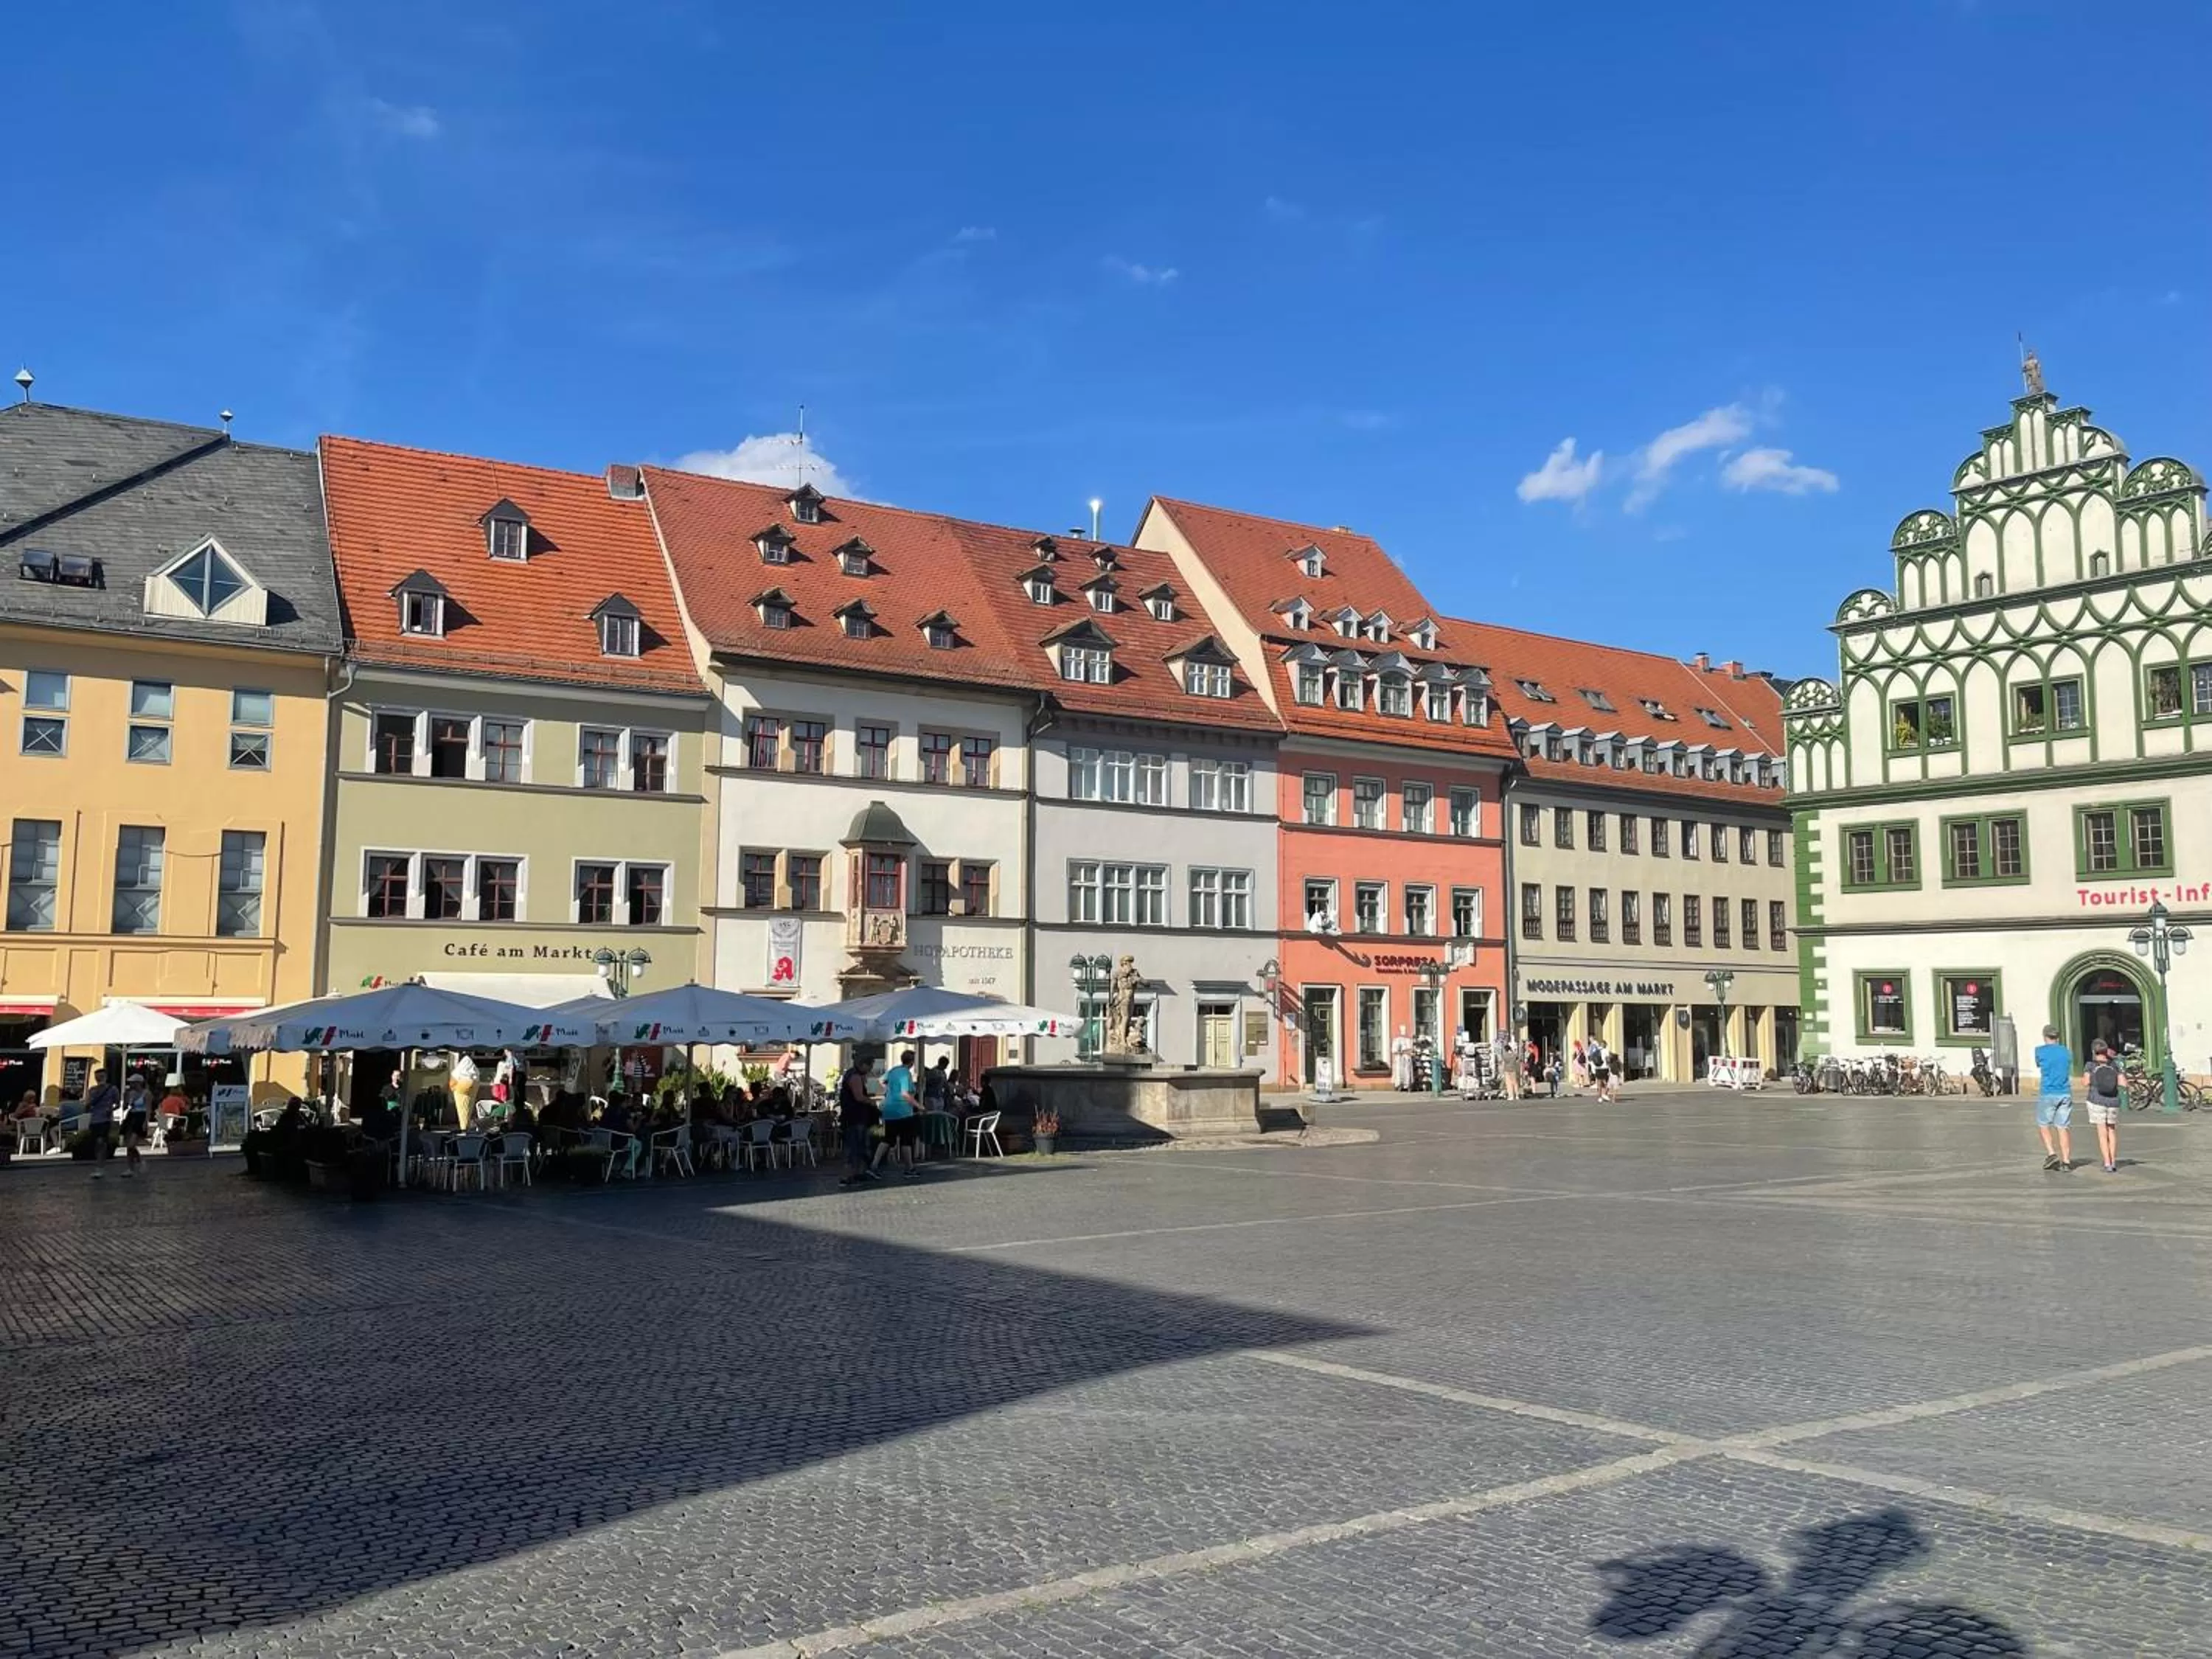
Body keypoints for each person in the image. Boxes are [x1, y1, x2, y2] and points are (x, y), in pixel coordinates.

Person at [2032, 1023, 2075, 1172]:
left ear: (2045, 1037)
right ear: (2057, 1037)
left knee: (2044, 1124)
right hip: (2064, 1092)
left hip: (2048, 1091)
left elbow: (2039, 1064)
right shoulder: (2066, 1052)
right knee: (2063, 1127)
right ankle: (2067, 1161)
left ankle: (2051, 1153)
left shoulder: (2040, 1051)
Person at [874, 1048, 922, 1178]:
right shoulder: (906, 1074)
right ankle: (909, 1168)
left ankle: (874, 1166)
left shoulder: (894, 1070)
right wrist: (919, 1106)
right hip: (903, 1110)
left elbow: (881, 1080)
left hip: (889, 1109)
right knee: (906, 1140)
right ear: (911, 1062)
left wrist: (890, 1090)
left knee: (888, 1139)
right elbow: (905, 1094)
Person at [2084, 1040, 2124, 1174]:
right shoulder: (2114, 1065)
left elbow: (2085, 1082)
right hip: (2113, 1101)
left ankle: (2107, 1162)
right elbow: (2124, 1083)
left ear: (2094, 1052)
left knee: (2102, 1133)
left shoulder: (2090, 1065)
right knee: (2111, 1131)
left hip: (2097, 1100)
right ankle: (2113, 1161)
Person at [837, 1065, 880, 1186]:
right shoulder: (855, 1076)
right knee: (853, 1149)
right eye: (869, 1066)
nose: (870, 1070)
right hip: (856, 1119)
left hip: (855, 1119)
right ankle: (847, 1177)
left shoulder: (851, 1075)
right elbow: (859, 1097)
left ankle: (856, 1174)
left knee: (858, 1148)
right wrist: (870, 1101)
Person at [83, 1068, 119, 1177]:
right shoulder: (92, 1090)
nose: (99, 1079)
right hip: (94, 1120)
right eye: (97, 1077)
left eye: (101, 1077)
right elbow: (87, 1105)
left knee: (101, 1142)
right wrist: (87, 1106)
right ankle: (99, 1166)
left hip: (105, 1119)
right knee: (96, 1144)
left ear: (105, 1077)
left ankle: (100, 1167)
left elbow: (118, 1103)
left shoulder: (112, 1089)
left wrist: (111, 1110)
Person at [119, 1076, 152, 1175]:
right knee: (128, 1145)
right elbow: (125, 1107)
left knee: (131, 1145)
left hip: (140, 1117)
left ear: (138, 1083)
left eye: (133, 1083)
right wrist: (126, 1098)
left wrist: (146, 1122)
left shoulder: (147, 1094)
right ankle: (130, 1168)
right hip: (131, 1116)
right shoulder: (130, 1094)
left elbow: (148, 1109)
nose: (131, 1085)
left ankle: (141, 1161)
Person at [1587, 1033, 1615, 1104]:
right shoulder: (1606, 1051)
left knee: (1599, 1083)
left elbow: (1591, 1058)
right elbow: (1608, 1060)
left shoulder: (1596, 1051)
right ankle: (1605, 1094)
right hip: (1604, 1068)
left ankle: (1599, 1097)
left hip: (1597, 1068)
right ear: (1605, 1045)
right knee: (1608, 1082)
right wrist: (1610, 1067)